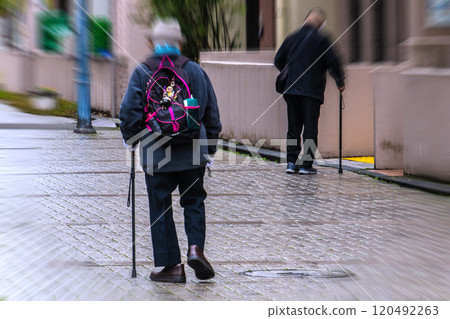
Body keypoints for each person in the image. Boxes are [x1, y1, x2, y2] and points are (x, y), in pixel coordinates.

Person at [119, 18, 221, 283]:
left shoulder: (143, 71)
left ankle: (171, 267)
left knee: (160, 206)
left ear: (153, 42)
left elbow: (129, 112)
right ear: (179, 43)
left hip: (156, 154)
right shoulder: (195, 71)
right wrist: (208, 149)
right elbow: (211, 113)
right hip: (193, 152)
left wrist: (130, 138)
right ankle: (195, 248)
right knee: (194, 201)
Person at [274, 7, 345, 175]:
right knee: (310, 129)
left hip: (291, 90)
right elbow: (334, 62)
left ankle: (291, 163)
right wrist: (340, 81)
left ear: (306, 20)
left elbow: (278, 59)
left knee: (293, 128)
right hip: (311, 90)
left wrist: (290, 73)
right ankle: (306, 164)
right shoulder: (322, 40)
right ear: (320, 24)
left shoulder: (292, 37)